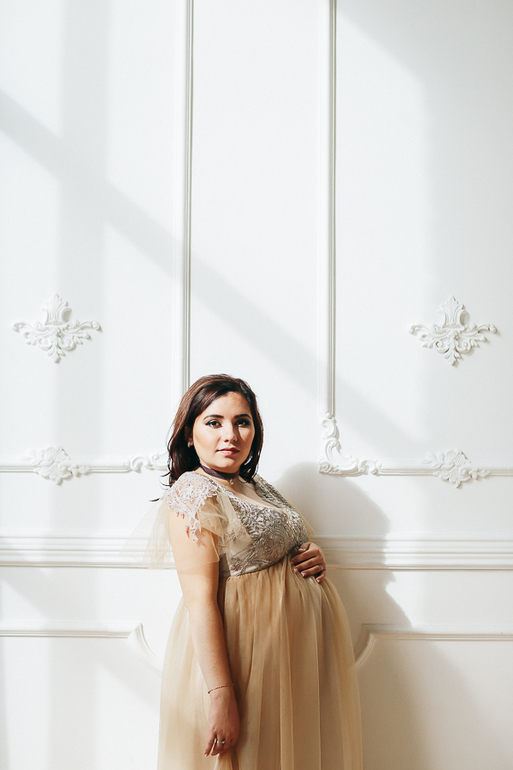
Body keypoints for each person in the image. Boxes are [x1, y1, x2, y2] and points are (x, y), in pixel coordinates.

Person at [136, 374, 362, 769]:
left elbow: (275, 543)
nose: (231, 435)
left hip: (285, 653)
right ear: (189, 434)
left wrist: (310, 553)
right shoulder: (195, 492)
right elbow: (200, 603)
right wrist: (221, 694)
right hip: (245, 654)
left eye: (242, 422)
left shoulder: (253, 483)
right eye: (214, 422)